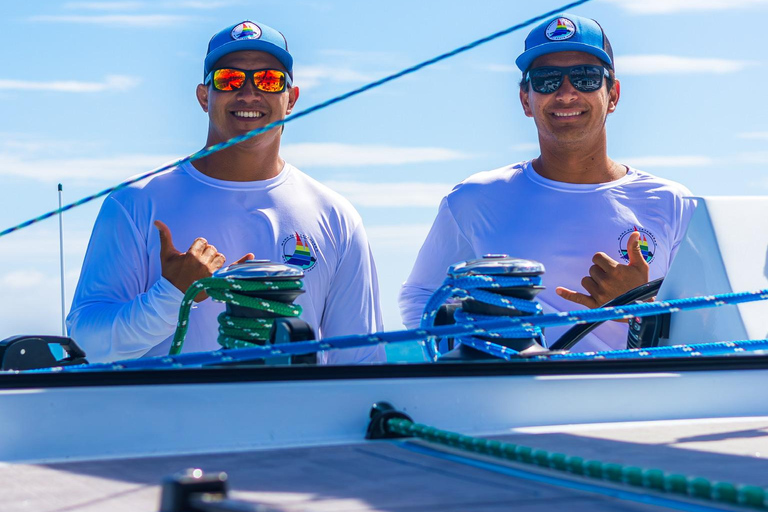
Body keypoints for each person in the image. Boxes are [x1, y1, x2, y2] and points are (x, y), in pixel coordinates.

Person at [68, 20, 385, 364]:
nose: (249, 93)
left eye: (268, 79)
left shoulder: (336, 215)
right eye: (229, 79)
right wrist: (172, 295)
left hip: (297, 417)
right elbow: (88, 342)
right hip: (166, 418)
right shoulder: (134, 201)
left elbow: (360, 359)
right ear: (205, 96)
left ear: (290, 99)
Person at [399, 13, 695, 352]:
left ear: (612, 95)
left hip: (634, 398)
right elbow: (419, 297)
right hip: (517, 400)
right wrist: (480, 348)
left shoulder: (673, 202)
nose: (566, 93)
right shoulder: (474, 199)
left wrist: (638, 308)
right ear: (526, 99)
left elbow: (712, 321)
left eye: (585, 77)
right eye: (546, 79)